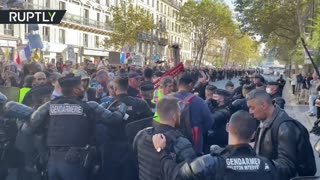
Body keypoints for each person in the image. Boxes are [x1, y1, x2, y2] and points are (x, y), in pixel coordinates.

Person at [22, 75, 128, 180]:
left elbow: (28, 128)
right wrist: (121, 109)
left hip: (52, 160)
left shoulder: (49, 106)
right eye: (81, 87)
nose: (83, 89)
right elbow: (114, 119)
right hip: (76, 161)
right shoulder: (89, 105)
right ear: (76, 90)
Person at [152, 110, 278, 180]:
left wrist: (161, 151)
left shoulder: (208, 163)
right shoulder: (268, 165)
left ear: (228, 127)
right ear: (253, 135)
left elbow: (175, 174)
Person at [246, 89, 316, 180]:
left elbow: (287, 167)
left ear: (263, 105)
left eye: (252, 107)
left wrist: (257, 165)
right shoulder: (265, 120)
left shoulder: (285, 127)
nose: (250, 112)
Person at [102, 76, 153, 180]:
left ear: (115, 88)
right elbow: (150, 124)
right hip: (134, 150)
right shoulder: (140, 104)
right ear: (127, 87)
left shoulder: (107, 105)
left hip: (112, 151)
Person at [133, 97, 196, 180]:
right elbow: (190, 175)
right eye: (179, 114)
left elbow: (137, 163)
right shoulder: (181, 143)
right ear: (174, 116)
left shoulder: (141, 135)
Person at [172, 72, 213, 154]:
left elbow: (156, 121)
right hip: (193, 146)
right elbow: (210, 123)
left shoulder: (165, 99)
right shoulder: (199, 101)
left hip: (172, 145)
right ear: (190, 84)